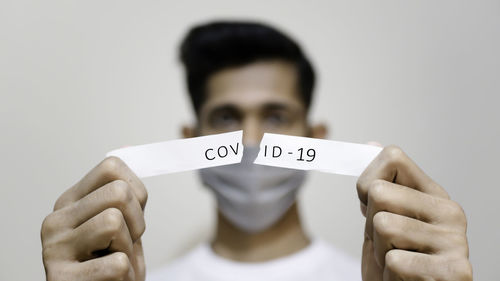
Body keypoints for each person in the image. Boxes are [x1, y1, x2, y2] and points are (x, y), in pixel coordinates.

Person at [41, 21, 472, 281]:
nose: (249, 141)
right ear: (192, 139)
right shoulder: (127, 279)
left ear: (315, 137)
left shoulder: (387, 276)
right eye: (227, 117)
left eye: (276, 116)